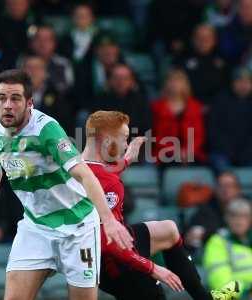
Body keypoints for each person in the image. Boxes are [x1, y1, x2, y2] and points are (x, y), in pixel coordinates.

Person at [0, 69, 133, 300]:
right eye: (2, 98)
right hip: (36, 227)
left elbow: (84, 174)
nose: (8, 105)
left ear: (29, 102)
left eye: (15, 98)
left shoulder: (46, 130)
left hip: (78, 227)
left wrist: (109, 220)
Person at [82, 110, 240, 300]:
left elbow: (102, 173)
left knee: (168, 230)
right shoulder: (106, 182)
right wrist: (153, 268)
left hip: (97, 251)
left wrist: (126, 161)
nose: (126, 144)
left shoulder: (79, 166)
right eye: (124, 138)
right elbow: (108, 242)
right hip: (113, 263)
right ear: (106, 140)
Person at [151, 69, 206, 164]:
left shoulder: (195, 107)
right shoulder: (157, 107)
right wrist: (175, 152)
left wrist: (188, 151)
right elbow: (157, 135)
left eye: (178, 81)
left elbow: (198, 135)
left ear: (185, 85)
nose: (175, 84)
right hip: (164, 154)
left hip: (192, 154)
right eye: (171, 81)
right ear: (166, 84)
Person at [204, 199, 252, 298]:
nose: (239, 221)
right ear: (226, 218)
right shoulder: (217, 242)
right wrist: (246, 292)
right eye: (234, 216)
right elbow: (220, 284)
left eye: (244, 216)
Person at [184, 172, 242, 251]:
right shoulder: (204, 211)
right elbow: (191, 237)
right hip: (212, 253)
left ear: (238, 189)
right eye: (221, 186)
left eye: (229, 186)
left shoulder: (248, 209)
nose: (225, 190)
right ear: (215, 189)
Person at [208, 67, 252, 172]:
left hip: (249, 153)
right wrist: (230, 151)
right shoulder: (220, 101)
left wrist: (245, 153)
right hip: (224, 153)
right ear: (232, 83)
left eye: (247, 81)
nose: (243, 85)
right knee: (222, 168)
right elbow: (213, 131)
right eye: (239, 81)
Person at [174, 24, 228, 106]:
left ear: (214, 41)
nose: (203, 41)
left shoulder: (222, 63)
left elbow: (224, 92)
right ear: (193, 40)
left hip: (215, 108)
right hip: (187, 106)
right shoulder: (182, 60)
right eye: (199, 37)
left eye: (207, 38)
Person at [21, 54, 72, 134]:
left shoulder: (57, 95)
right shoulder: (13, 95)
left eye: (37, 68)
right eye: (29, 68)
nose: (33, 72)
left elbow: (63, 124)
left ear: (45, 73)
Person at [96, 64, 151, 136]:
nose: (120, 82)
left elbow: (145, 129)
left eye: (125, 78)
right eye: (116, 78)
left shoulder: (141, 101)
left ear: (131, 82)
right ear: (109, 81)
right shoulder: (100, 100)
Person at [28, 25, 74, 94]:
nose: (42, 43)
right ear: (32, 42)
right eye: (38, 39)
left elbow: (68, 90)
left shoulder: (63, 64)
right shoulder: (22, 62)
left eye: (47, 39)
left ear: (54, 43)